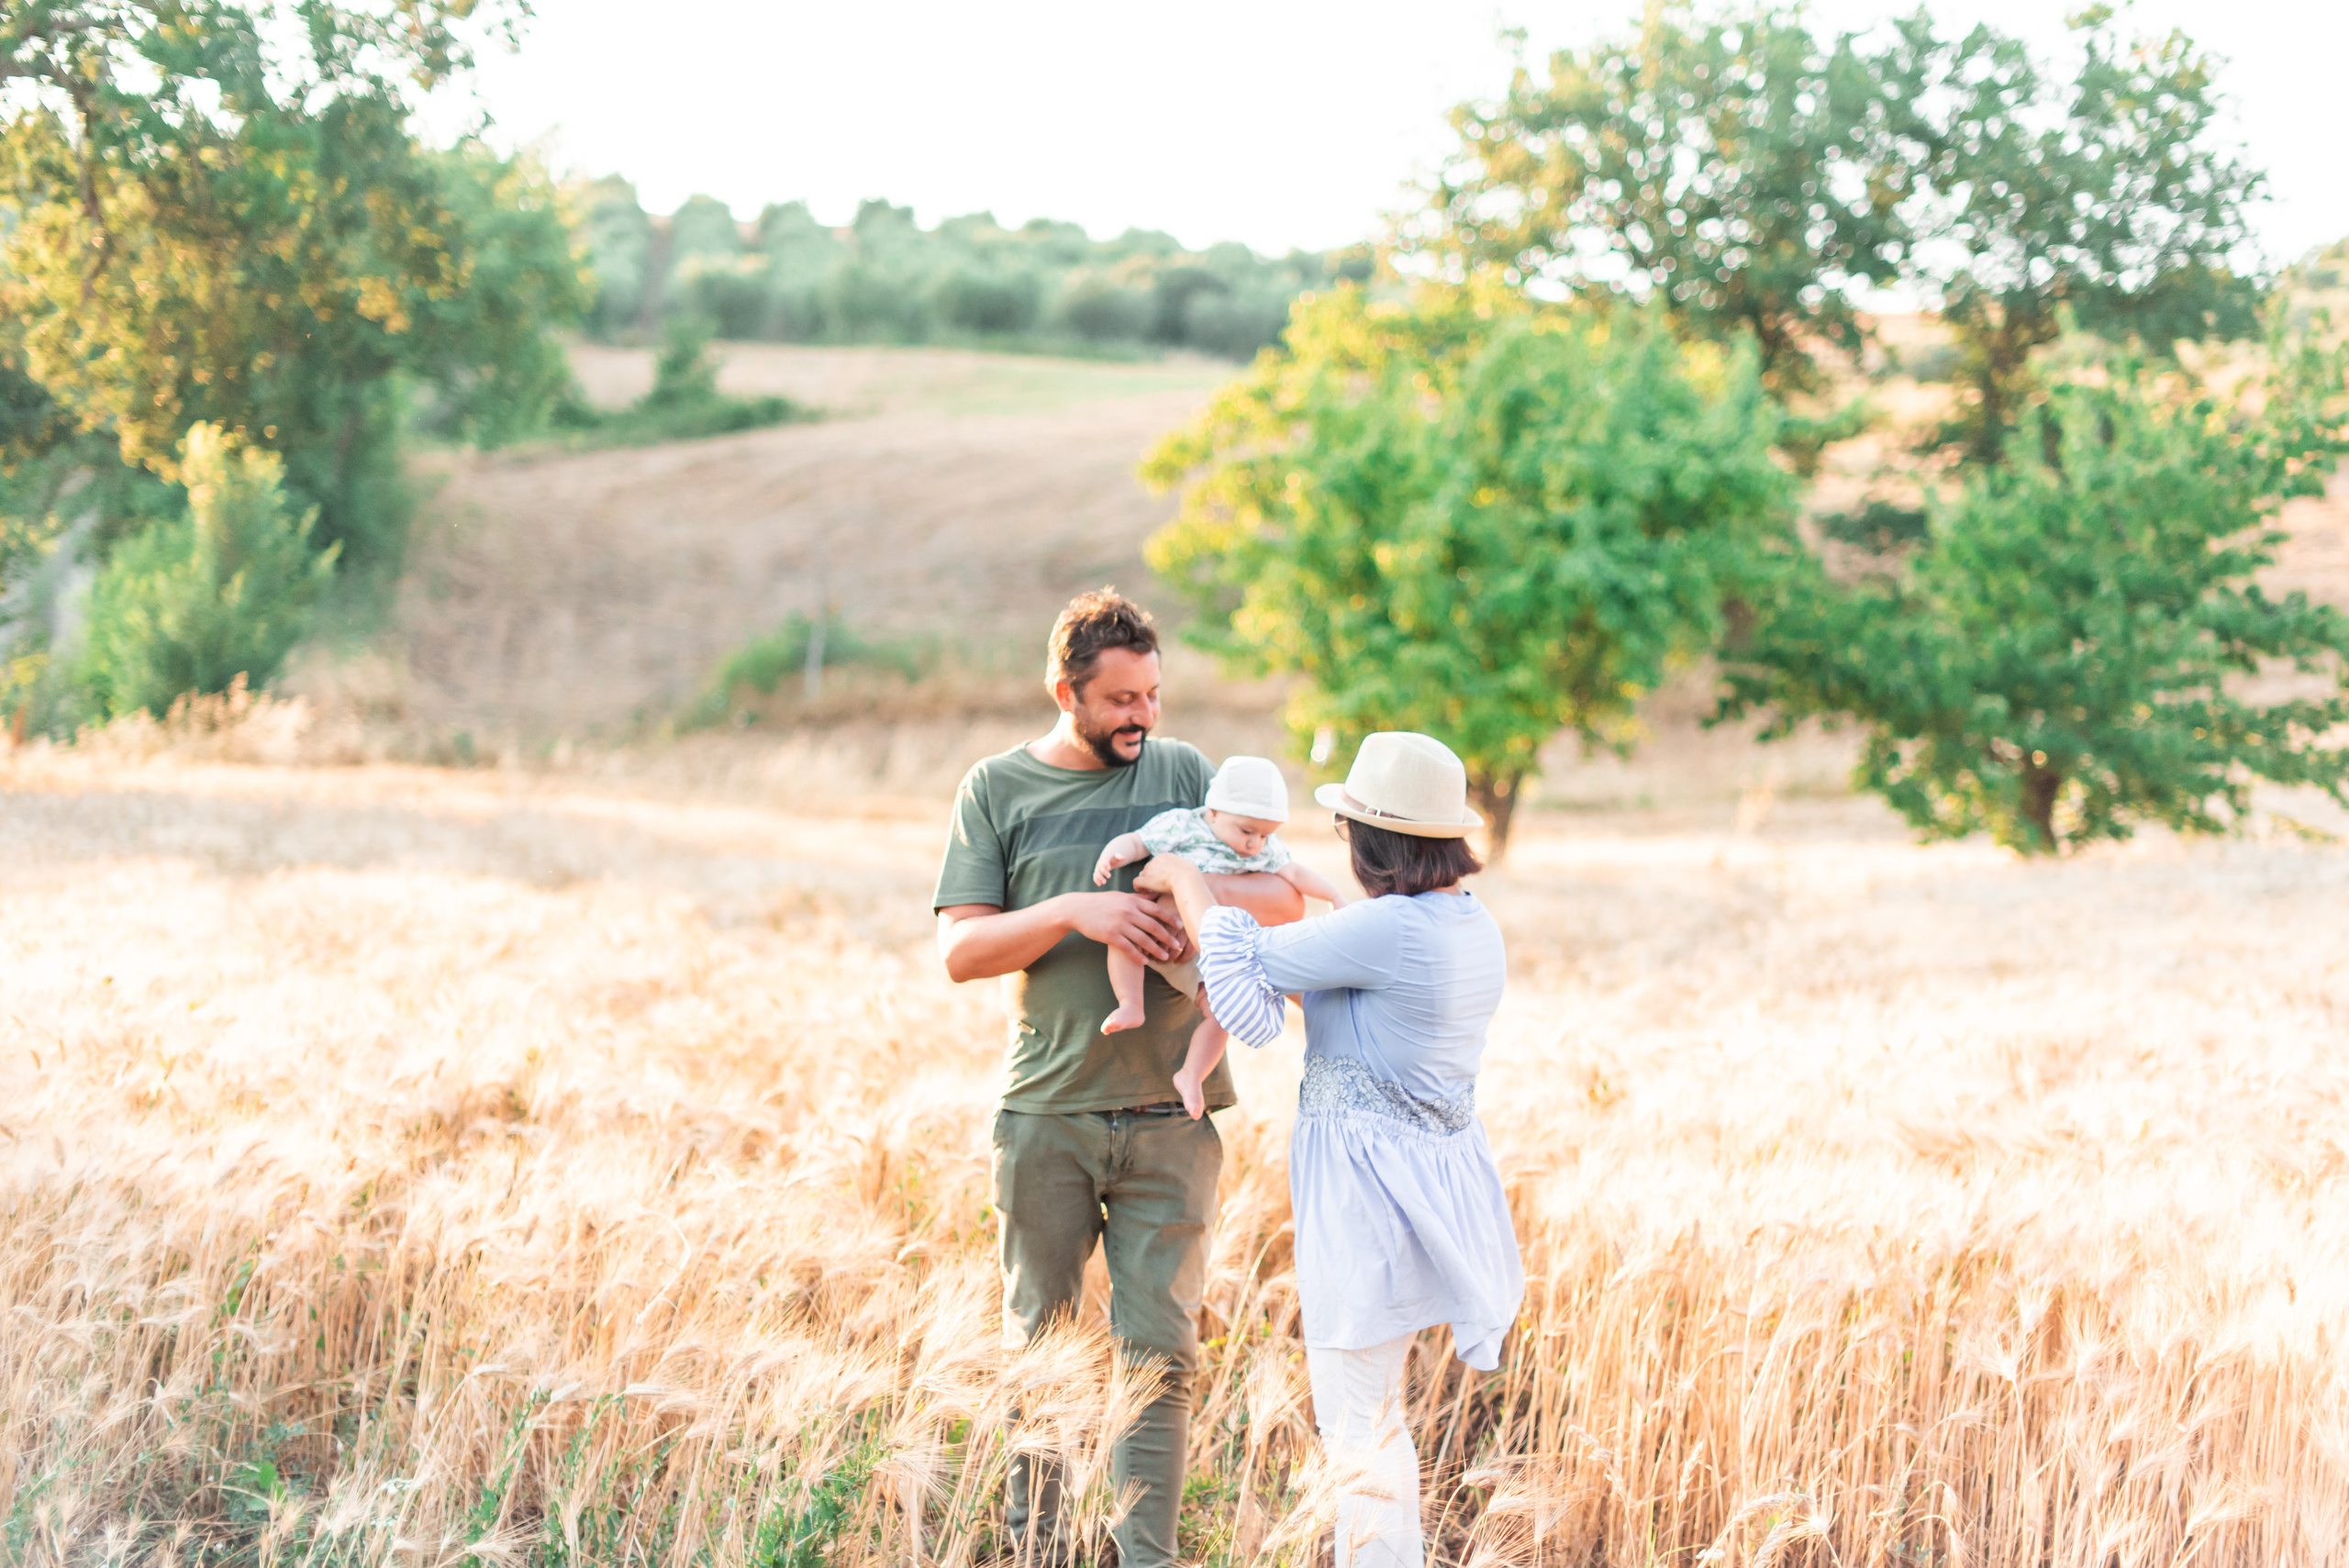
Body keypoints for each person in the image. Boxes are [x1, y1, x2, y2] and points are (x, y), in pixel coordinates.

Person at [931, 589, 1304, 1568]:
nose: (1144, 715)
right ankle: (1040, 1550)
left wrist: (1185, 889)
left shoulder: (1184, 772)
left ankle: (1146, 1555)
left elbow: (1279, 891)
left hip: (1171, 1118)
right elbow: (961, 952)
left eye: (1153, 693)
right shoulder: (995, 788)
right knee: (1040, 1347)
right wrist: (1075, 911)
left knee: (1164, 1357)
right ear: (1066, 691)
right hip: (1044, 1114)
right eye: (1121, 698)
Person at [1136, 730, 1524, 1568]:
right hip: (1420, 1191)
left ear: (1376, 838)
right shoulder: (1466, 923)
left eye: (1349, 829)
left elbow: (1241, 972)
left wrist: (1184, 879)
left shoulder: (1389, 928)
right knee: (1378, 1417)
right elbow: (1373, 1021)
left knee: (1358, 1425)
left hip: (1365, 1204)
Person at [1091, 754, 1351, 1117]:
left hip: (1209, 953)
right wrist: (1114, 854)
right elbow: (1140, 840)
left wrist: (1334, 896)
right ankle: (1130, 1003)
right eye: (1247, 832)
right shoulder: (1184, 826)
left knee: (1220, 1012)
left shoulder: (1265, 848)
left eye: (1265, 835)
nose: (1255, 845)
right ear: (1212, 812)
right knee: (1124, 935)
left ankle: (1192, 1075)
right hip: (1158, 927)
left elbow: (1294, 874)